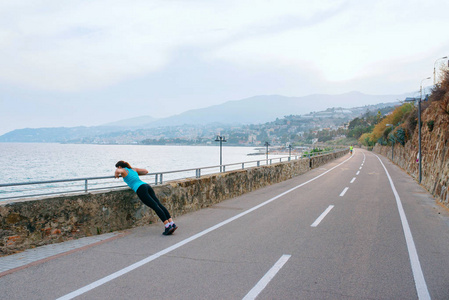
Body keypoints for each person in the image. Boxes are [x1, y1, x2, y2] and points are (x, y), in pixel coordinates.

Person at [115, 160, 177, 235]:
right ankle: (172, 223)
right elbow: (145, 171)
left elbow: (119, 170)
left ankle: (167, 226)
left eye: (117, 167)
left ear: (119, 166)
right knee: (159, 204)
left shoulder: (123, 170)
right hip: (146, 186)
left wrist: (116, 173)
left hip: (140, 189)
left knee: (155, 206)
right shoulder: (133, 169)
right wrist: (135, 174)